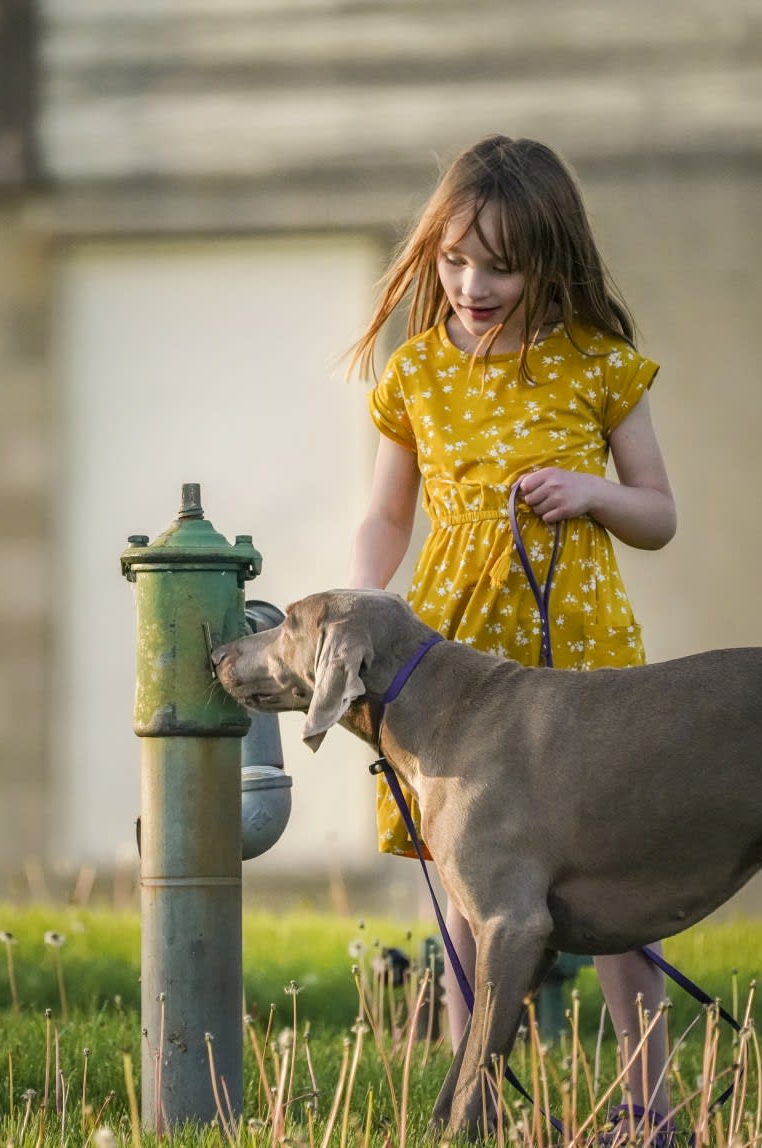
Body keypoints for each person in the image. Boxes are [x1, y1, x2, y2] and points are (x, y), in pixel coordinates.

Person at [346, 135, 677, 1124]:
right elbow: (387, 511)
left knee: (614, 877)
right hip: (454, 660)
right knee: (467, 886)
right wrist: (366, 595)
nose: (471, 283)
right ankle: (474, 1093)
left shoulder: (598, 366)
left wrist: (593, 493)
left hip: (580, 661)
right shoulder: (416, 374)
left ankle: (649, 1101)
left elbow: (658, 512)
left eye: (499, 262)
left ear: (552, 256)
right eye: (453, 259)